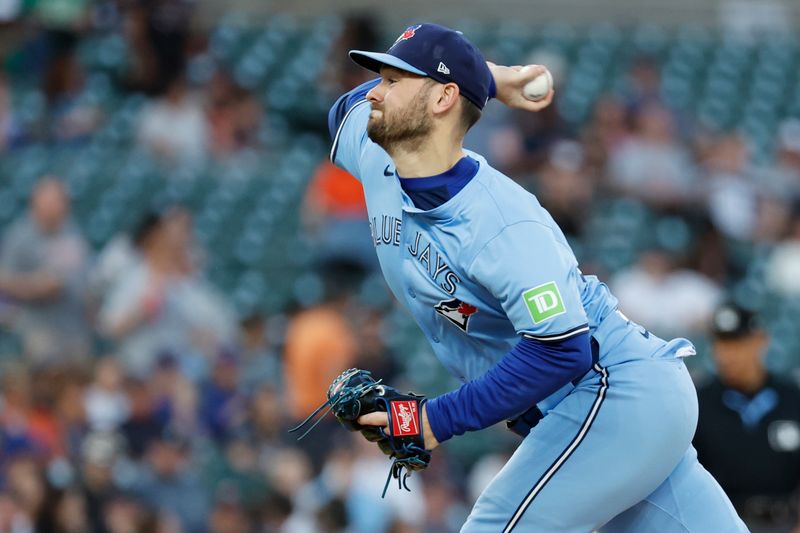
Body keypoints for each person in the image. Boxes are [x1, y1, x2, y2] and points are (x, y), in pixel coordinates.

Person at [327, 23, 746, 531]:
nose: (375, 91)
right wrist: (492, 76)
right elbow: (340, 112)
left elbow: (560, 348)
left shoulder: (503, 221)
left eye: (394, 81)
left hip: (613, 391)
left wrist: (434, 420)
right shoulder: (377, 156)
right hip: (599, 412)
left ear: (442, 98)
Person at [694, 302, 800, 532]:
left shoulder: (793, 398)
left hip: (788, 523)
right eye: (721, 344)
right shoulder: (696, 404)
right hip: (721, 523)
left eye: (737, 343)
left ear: (761, 340)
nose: (727, 355)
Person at [0, 177, 91, 366]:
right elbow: (3, 280)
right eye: (50, 201)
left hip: (74, 327)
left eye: (59, 201)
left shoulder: (72, 231)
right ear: (35, 203)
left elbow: (84, 274)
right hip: (38, 329)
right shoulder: (20, 236)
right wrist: (36, 285)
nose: (56, 206)